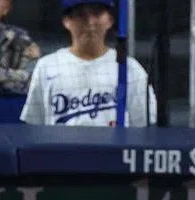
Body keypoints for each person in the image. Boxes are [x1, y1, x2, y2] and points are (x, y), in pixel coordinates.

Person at [20, 0, 156, 127]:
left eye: (97, 13)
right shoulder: (47, 66)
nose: (90, 22)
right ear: (67, 21)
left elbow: (144, 127)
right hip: (62, 151)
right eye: (81, 15)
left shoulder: (130, 68)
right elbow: (34, 126)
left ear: (110, 20)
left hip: (112, 151)